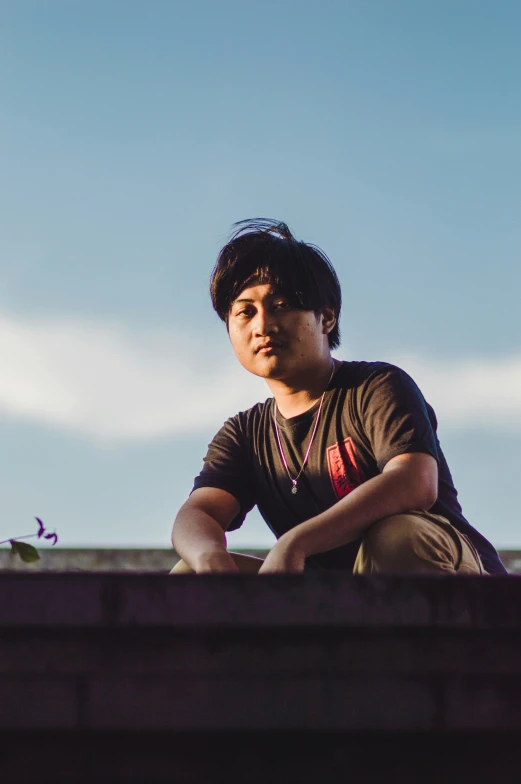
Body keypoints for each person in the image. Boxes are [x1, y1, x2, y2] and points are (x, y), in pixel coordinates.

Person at [171, 219, 507, 576]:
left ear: (326, 317)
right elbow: (198, 513)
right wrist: (209, 558)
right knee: (189, 574)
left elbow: (414, 481)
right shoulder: (245, 434)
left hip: (459, 587)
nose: (263, 325)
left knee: (396, 538)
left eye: (282, 304)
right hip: (334, 601)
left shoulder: (375, 387)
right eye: (245, 311)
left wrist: (295, 542)